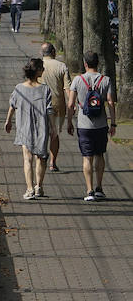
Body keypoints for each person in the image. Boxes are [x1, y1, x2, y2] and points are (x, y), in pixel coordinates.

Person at [67, 50, 117, 201]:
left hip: (84, 125)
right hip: (101, 124)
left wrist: (69, 122)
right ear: (98, 63)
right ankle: (99, 188)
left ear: (85, 63)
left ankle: (89, 191)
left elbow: (70, 104)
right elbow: (110, 103)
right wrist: (113, 123)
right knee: (100, 155)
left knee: (87, 157)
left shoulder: (78, 80)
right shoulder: (106, 80)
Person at [5, 58, 51, 199]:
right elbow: (50, 110)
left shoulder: (19, 88)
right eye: (42, 68)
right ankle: (38, 186)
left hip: (24, 126)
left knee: (27, 158)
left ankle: (29, 189)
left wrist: (8, 121)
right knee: (41, 158)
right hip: (42, 127)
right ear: (37, 71)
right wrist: (54, 128)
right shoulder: (45, 89)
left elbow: (12, 106)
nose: (43, 70)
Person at [40, 43, 71, 171]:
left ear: (41, 52)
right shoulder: (62, 66)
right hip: (57, 105)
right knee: (54, 134)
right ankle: (53, 162)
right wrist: (72, 104)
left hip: (40, 105)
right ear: (53, 51)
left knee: (41, 134)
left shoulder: (37, 65)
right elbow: (68, 89)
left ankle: (40, 159)